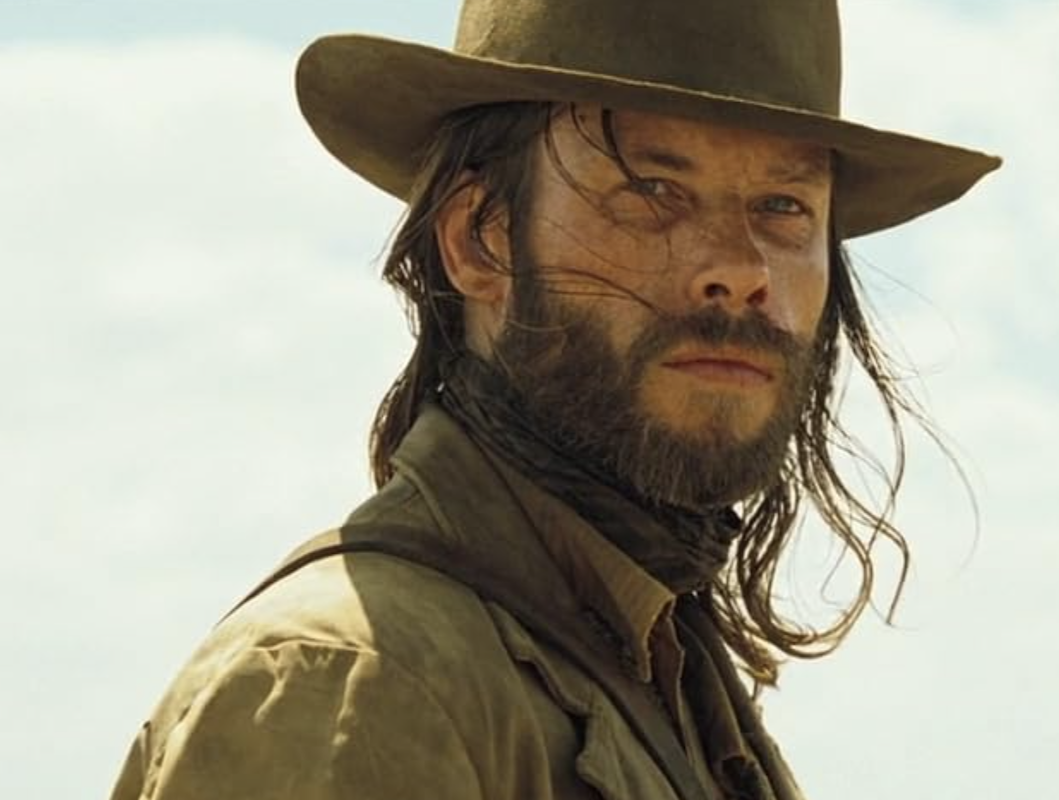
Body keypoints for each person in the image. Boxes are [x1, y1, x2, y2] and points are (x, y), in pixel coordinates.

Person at [110, 1, 999, 798]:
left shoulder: (665, 677)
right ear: (481, 239)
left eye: (782, 206)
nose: (739, 270)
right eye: (653, 192)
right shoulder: (354, 682)